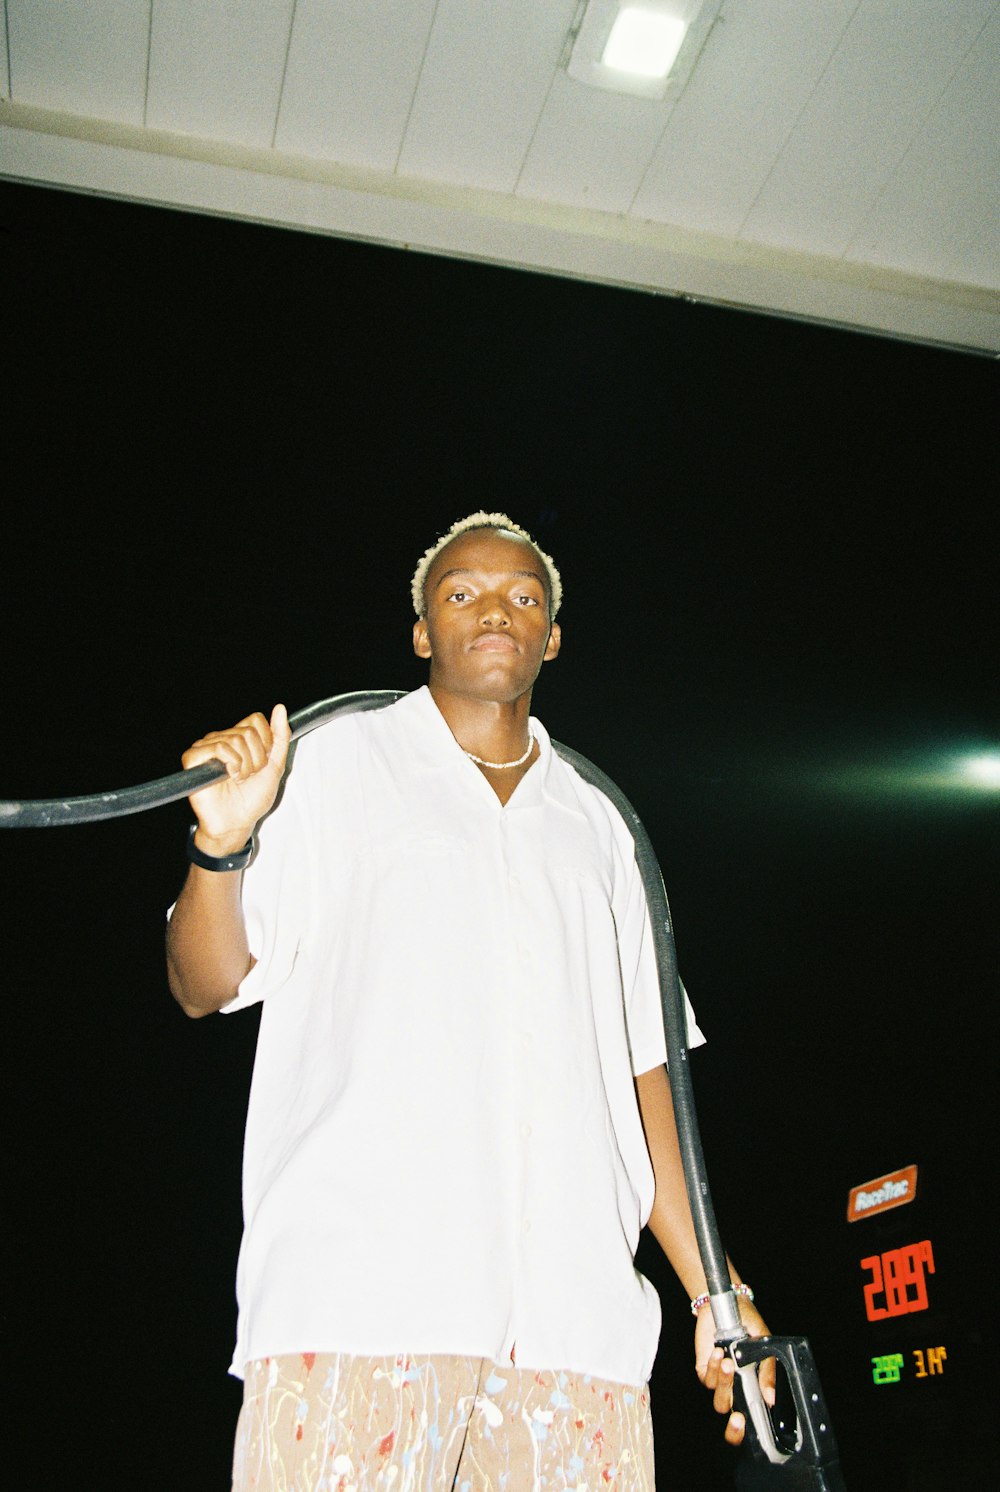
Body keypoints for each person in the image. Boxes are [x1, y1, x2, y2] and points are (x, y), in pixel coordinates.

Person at [166, 513, 773, 1491]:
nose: (495, 608)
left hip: (578, 1346)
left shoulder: (599, 825)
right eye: (461, 592)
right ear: (420, 631)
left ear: (552, 635)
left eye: (523, 595)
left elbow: (641, 1077)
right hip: (355, 1319)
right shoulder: (329, 766)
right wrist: (222, 844)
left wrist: (717, 1292)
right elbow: (203, 981)